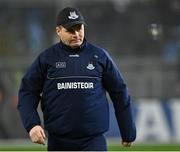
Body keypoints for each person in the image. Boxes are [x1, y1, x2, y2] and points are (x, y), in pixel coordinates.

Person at [17, 7, 136, 151]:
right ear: (58, 31)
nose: (76, 34)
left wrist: (127, 128)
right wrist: (32, 125)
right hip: (59, 143)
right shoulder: (46, 59)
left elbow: (119, 91)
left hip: (94, 142)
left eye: (79, 28)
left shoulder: (100, 56)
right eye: (70, 30)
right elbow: (27, 92)